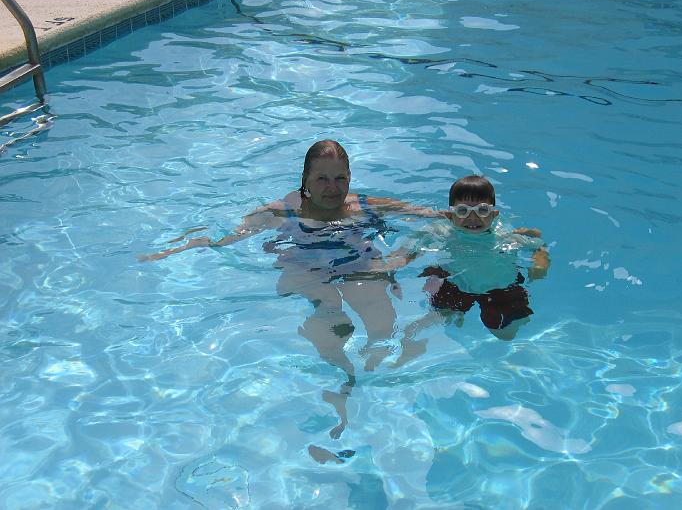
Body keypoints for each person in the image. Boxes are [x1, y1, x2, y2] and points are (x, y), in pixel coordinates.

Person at [139, 140, 438, 444]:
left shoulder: (362, 206)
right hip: (305, 266)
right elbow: (222, 236)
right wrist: (174, 248)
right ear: (305, 180)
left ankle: (374, 376)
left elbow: (425, 214)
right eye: (322, 179)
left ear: (350, 178)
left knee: (382, 320)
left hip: (354, 262)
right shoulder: (282, 212)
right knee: (332, 315)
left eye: (340, 178)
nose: (332, 188)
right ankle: (342, 377)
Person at [381, 174, 549, 358]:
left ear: (494, 215)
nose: (473, 217)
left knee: (505, 334)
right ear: (450, 215)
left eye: (482, 210)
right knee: (442, 316)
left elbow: (539, 246)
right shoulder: (441, 231)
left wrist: (540, 263)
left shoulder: (505, 237)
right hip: (457, 282)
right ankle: (453, 312)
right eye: (463, 211)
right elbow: (412, 244)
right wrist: (400, 260)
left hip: (501, 287)